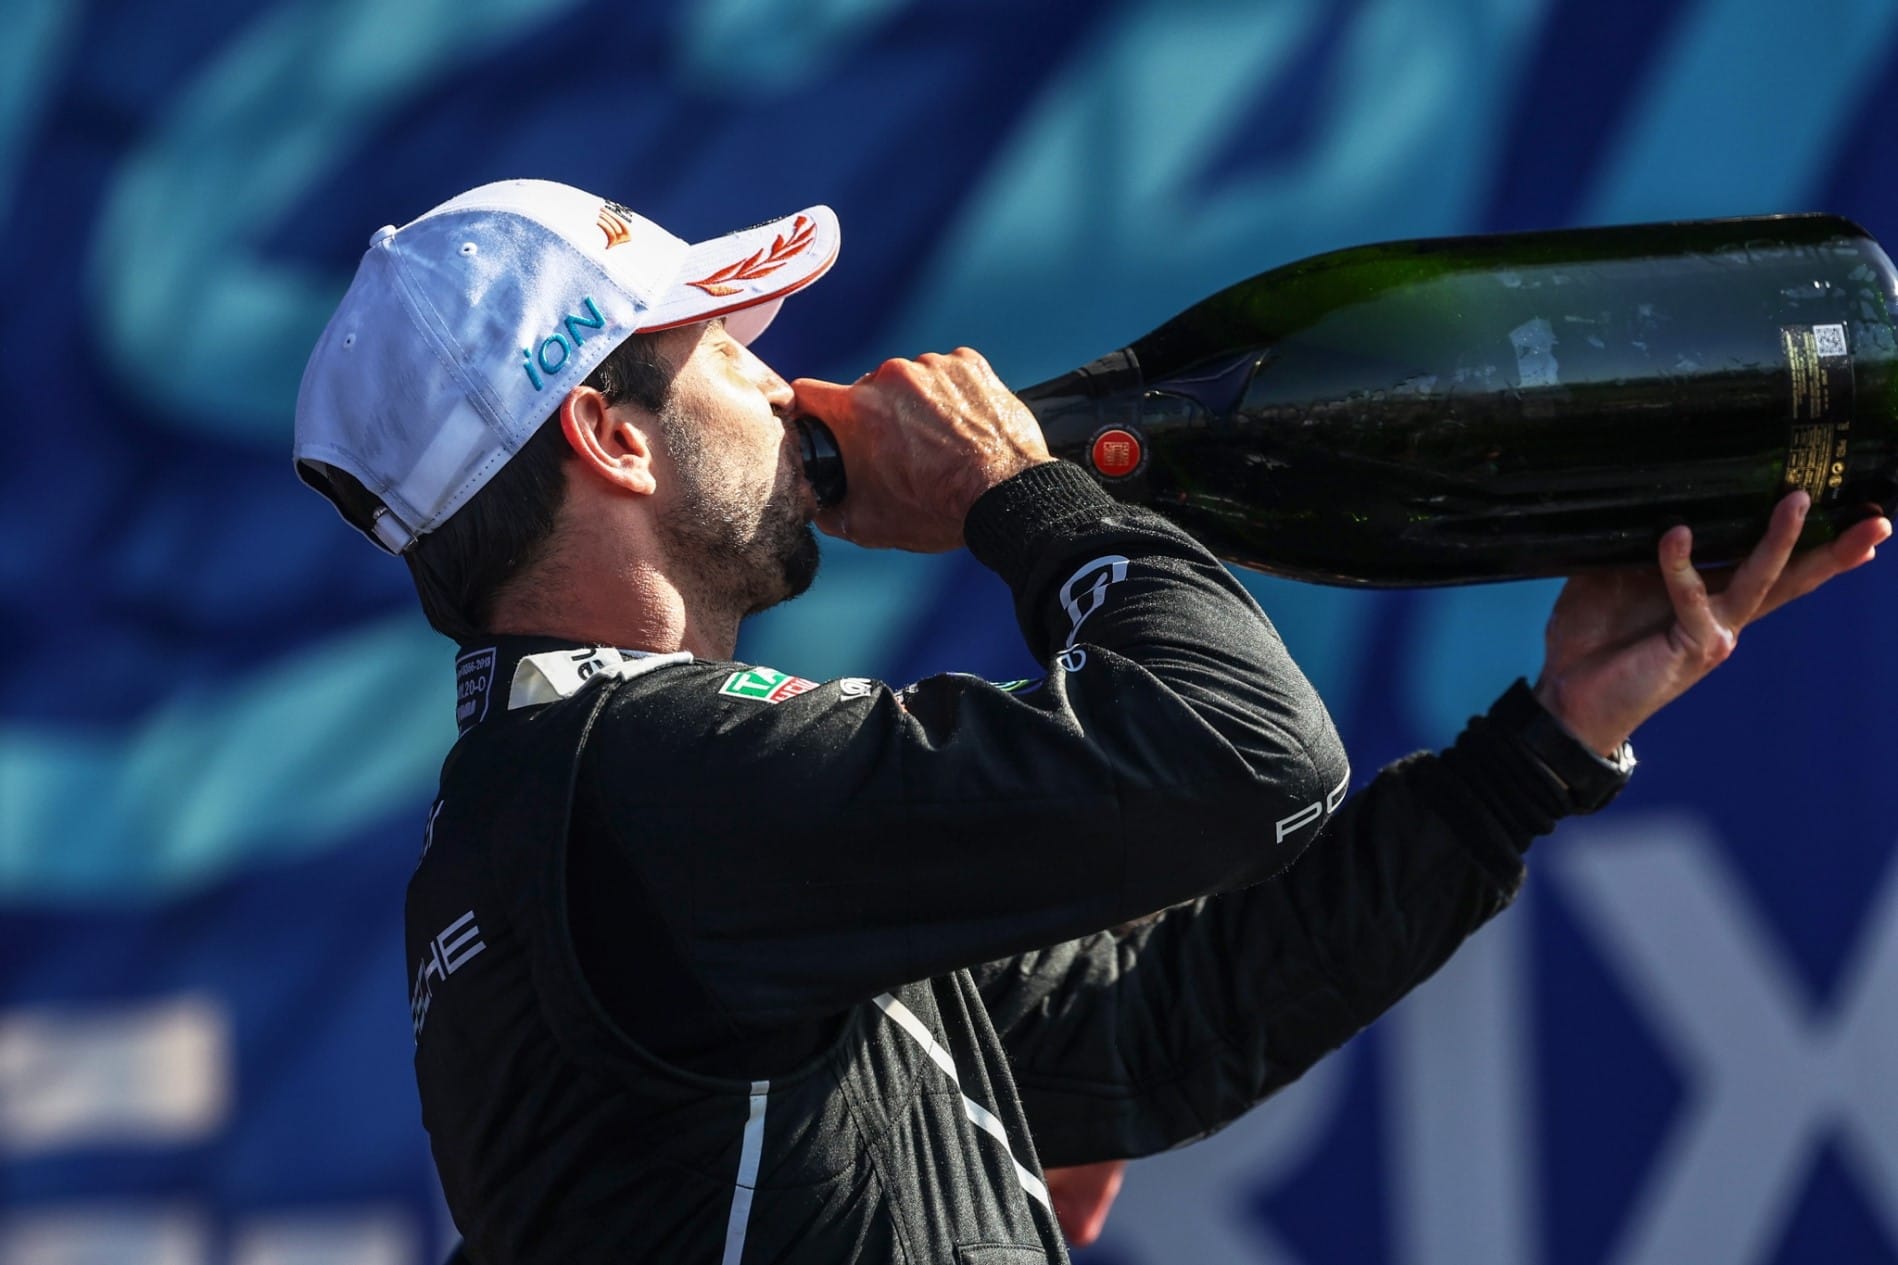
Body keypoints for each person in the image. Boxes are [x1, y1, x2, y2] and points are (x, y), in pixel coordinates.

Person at [293, 179, 1888, 1264]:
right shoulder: (634, 791)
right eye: (726, 346)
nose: (786, 393)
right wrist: (1019, 496)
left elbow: (1164, 1026)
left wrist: (1549, 738)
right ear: (609, 437)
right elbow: (1245, 752)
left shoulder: (619, 804)